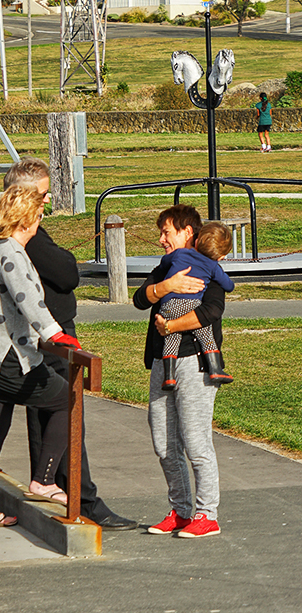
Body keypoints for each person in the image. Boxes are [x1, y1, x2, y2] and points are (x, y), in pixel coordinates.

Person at [3, 157, 137, 531]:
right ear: (24, 195)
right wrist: (65, 261)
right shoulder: (25, 235)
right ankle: (82, 496)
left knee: (45, 414)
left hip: (36, 336)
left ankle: (50, 483)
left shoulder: (12, 232)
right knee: (67, 412)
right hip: (49, 336)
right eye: (42, 195)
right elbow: (66, 273)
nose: (47, 201)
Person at [0, 182, 79, 529]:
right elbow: (28, 298)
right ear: (25, 219)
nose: (39, 224)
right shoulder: (11, 253)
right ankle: (44, 479)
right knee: (64, 399)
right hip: (4, 357)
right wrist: (54, 333)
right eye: (38, 217)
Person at [133, 203, 226, 539]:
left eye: (166, 232)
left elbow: (212, 310)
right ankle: (181, 510)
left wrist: (171, 324)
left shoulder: (208, 265)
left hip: (194, 363)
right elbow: (140, 299)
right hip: (162, 362)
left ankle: (207, 514)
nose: (162, 239)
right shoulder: (168, 266)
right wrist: (165, 286)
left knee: (196, 441)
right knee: (164, 443)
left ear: (188, 231)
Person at [155, 221, 234, 389]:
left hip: (168, 306)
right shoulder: (213, 266)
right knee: (206, 334)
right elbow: (229, 286)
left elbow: (164, 262)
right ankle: (215, 369)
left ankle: (169, 377)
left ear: (197, 241)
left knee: (171, 339)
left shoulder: (181, 254)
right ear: (221, 256)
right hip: (190, 305)